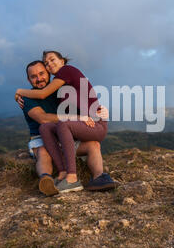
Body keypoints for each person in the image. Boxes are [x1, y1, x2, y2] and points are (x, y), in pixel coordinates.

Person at [16, 60, 118, 195]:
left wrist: (101, 110)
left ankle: (99, 177)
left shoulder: (59, 89)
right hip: (41, 137)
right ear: (29, 80)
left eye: (41, 73)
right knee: (43, 151)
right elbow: (43, 118)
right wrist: (75, 118)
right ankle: (46, 180)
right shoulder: (27, 98)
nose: (39, 78)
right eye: (33, 76)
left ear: (48, 74)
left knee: (93, 145)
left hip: (64, 134)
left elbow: (82, 99)